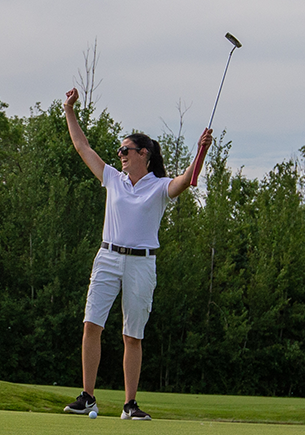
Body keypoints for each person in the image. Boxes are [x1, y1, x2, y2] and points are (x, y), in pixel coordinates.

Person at [57, 88, 211, 420]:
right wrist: (69, 110)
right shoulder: (113, 178)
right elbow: (82, 146)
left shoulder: (159, 186)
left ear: (144, 153)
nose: (121, 154)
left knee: (132, 335)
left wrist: (200, 151)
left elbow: (187, 180)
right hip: (108, 257)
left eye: (126, 150)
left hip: (142, 263)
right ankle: (88, 397)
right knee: (91, 325)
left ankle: (130, 404)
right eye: (120, 151)